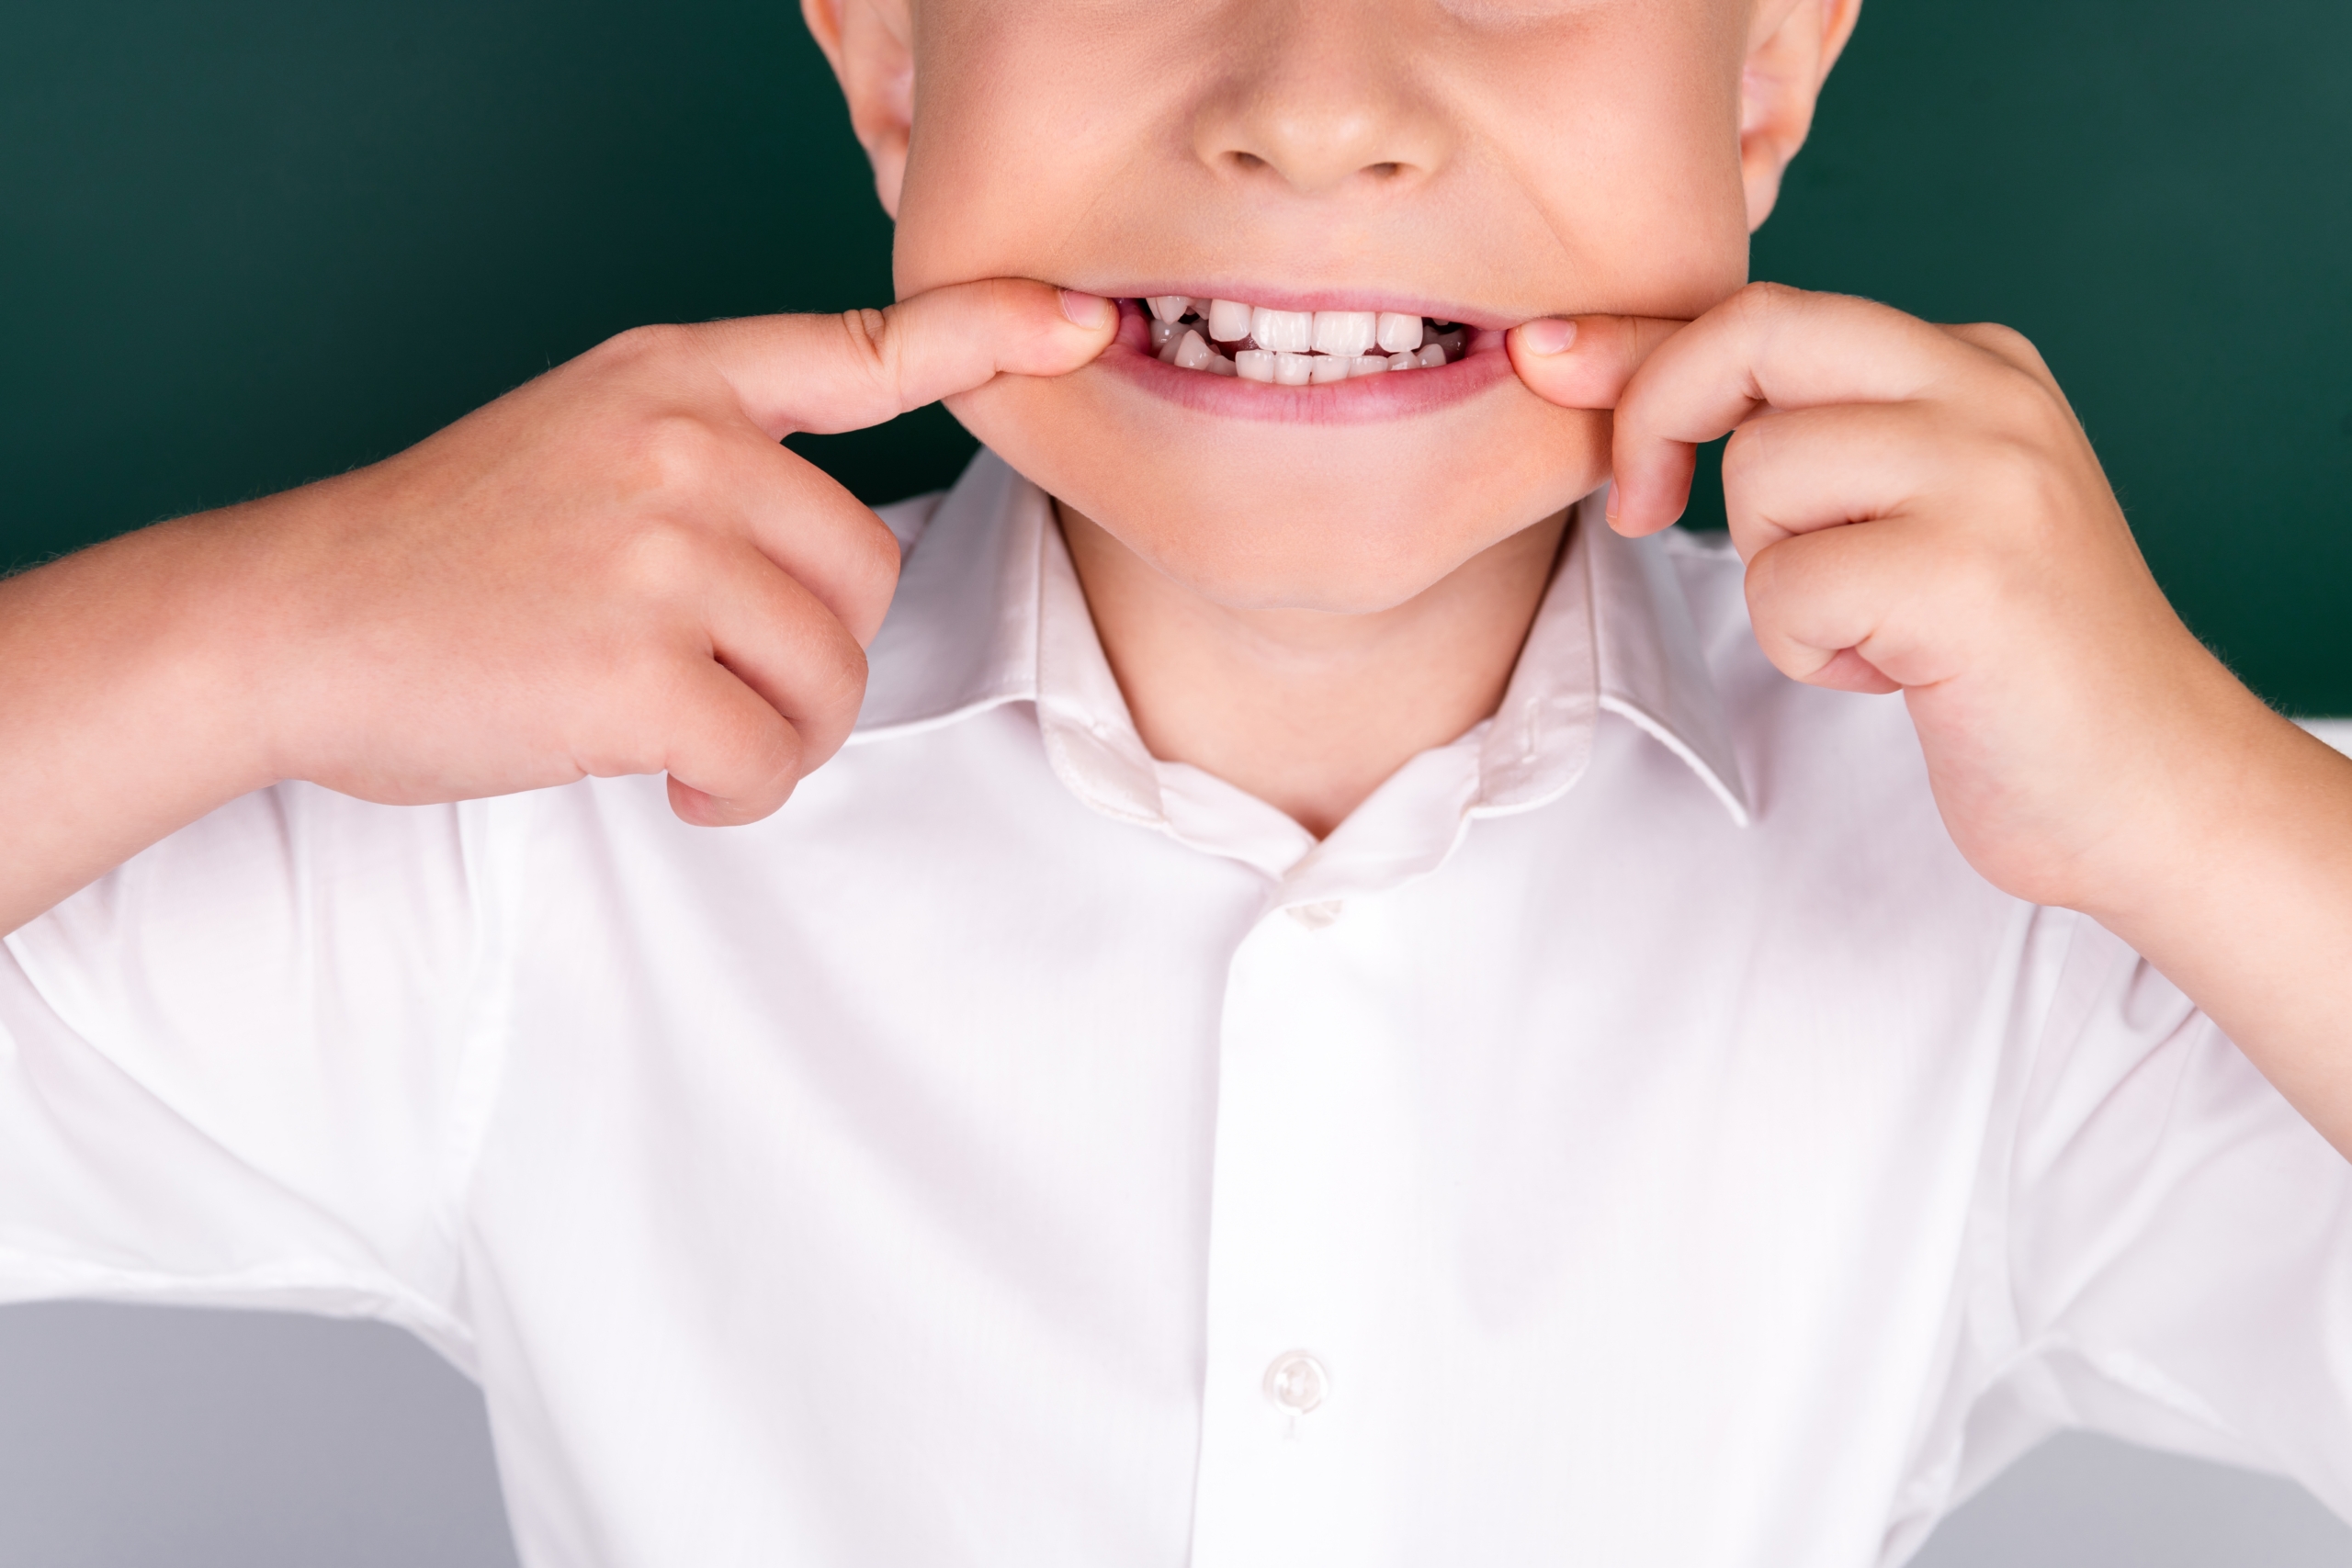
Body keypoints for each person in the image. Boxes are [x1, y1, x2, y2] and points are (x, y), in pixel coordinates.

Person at [3, 0, 2348, 1561]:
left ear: (1761, 69)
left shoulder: (2036, 861)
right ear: (892, 57)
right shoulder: (521, 831)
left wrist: (2192, 799)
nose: (1312, 101)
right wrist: (260, 622)